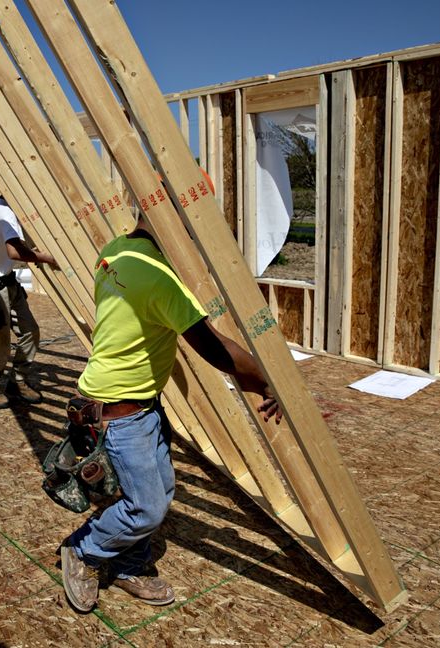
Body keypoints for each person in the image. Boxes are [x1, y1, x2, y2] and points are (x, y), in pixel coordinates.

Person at [60, 212, 282, 613]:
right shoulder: (160, 278)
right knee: (146, 507)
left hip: (138, 403)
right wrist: (266, 382)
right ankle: (84, 550)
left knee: (160, 490)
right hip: (119, 413)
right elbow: (216, 350)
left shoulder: (117, 250)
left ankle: (129, 565)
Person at [0, 192, 59, 408]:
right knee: (0, 344)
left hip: (7, 281)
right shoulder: (5, 212)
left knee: (30, 332)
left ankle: (17, 381)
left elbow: (5, 246)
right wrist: (47, 258)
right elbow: (14, 252)